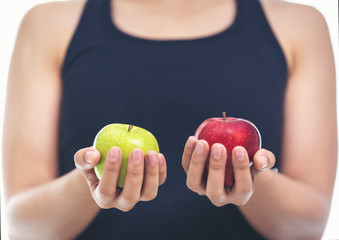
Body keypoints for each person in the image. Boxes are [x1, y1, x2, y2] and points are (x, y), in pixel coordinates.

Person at [2, 0, 337, 239]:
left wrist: (249, 180)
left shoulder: (299, 24)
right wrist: (91, 182)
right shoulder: (48, 22)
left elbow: (309, 226)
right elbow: (22, 225)